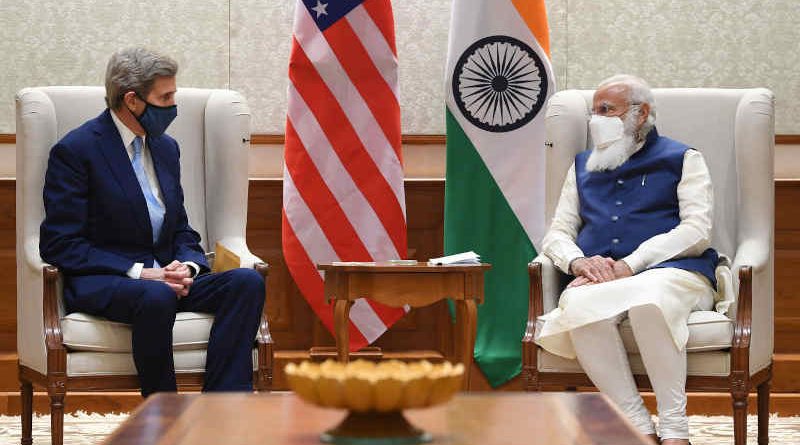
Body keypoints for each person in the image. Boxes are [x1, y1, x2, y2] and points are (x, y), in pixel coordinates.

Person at [39, 47, 265, 397]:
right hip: (108, 281)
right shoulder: (76, 151)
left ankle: (222, 409)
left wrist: (187, 266)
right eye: (166, 97)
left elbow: (181, 229)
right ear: (132, 100)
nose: (174, 106)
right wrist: (140, 272)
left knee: (246, 283)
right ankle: (163, 418)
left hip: (165, 279)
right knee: (157, 295)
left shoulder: (165, 148)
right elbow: (60, 244)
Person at [535, 74, 721, 445]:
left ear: (641, 113)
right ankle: (635, 426)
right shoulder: (582, 166)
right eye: (594, 112)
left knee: (648, 302)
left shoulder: (682, 158)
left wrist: (631, 264)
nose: (596, 119)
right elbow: (557, 233)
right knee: (582, 305)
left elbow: (697, 230)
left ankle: (674, 430)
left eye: (607, 110)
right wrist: (577, 263)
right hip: (601, 278)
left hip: (674, 273)